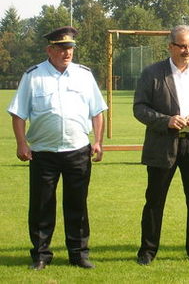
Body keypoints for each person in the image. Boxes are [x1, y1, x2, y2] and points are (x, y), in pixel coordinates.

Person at [7, 26, 107, 270]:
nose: (67, 52)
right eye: (61, 48)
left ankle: (79, 254)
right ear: (49, 49)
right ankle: (41, 255)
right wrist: (22, 143)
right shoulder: (33, 76)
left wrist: (98, 141)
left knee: (77, 205)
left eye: (70, 47)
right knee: (42, 206)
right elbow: (18, 113)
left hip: (77, 150)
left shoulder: (84, 75)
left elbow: (98, 111)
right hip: (43, 152)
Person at [134, 25, 189, 266]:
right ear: (170, 46)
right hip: (163, 145)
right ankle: (147, 251)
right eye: (182, 46)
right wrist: (166, 121)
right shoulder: (152, 73)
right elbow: (139, 107)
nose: (187, 51)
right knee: (154, 201)